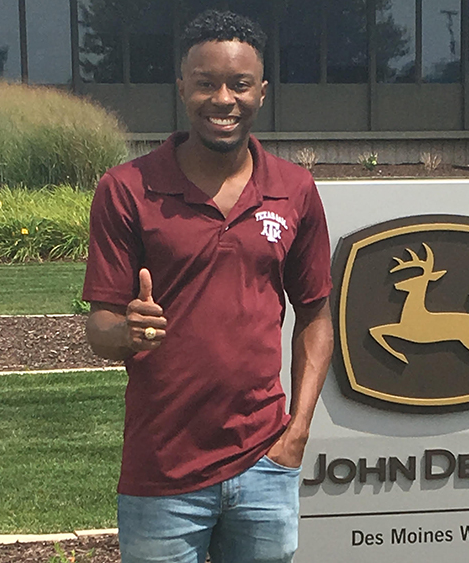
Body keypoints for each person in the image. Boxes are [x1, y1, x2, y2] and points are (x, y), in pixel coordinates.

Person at [81, 10, 334, 563]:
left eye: (239, 84)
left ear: (262, 92)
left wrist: (298, 434)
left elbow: (316, 315)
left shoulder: (294, 190)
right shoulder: (127, 189)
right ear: (181, 88)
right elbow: (99, 328)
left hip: (265, 461)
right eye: (205, 83)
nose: (223, 98)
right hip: (161, 467)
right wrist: (128, 332)